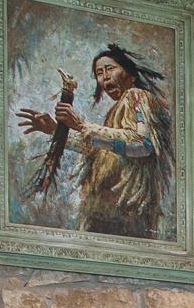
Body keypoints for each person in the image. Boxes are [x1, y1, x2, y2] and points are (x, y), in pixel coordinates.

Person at [19, 43, 171, 240]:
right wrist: (55, 130)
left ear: (131, 75)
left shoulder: (137, 96)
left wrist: (82, 125)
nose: (105, 76)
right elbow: (101, 149)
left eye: (110, 68)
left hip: (127, 212)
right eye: (99, 73)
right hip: (103, 210)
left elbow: (143, 144)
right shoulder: (114, 114)